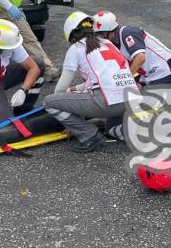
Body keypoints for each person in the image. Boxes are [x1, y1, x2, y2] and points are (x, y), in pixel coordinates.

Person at [43, 12, 138, 153]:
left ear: (71, 33)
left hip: (108, 103)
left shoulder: (76, 48)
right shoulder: (107, 44)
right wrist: (73, 90)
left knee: (49, 102)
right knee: (111, 128)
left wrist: (72, 119)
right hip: (130, 102)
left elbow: (60, 89)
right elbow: (103, 79)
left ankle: (89, 135)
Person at [91, 11, 171, 86]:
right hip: (147, 73)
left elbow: (140, 58)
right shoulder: (113, 42)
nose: (98, 38)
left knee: (146, 102)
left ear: (108, 32)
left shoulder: (127, 33)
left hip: (164, 70)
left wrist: (126, 81)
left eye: (98, 34)